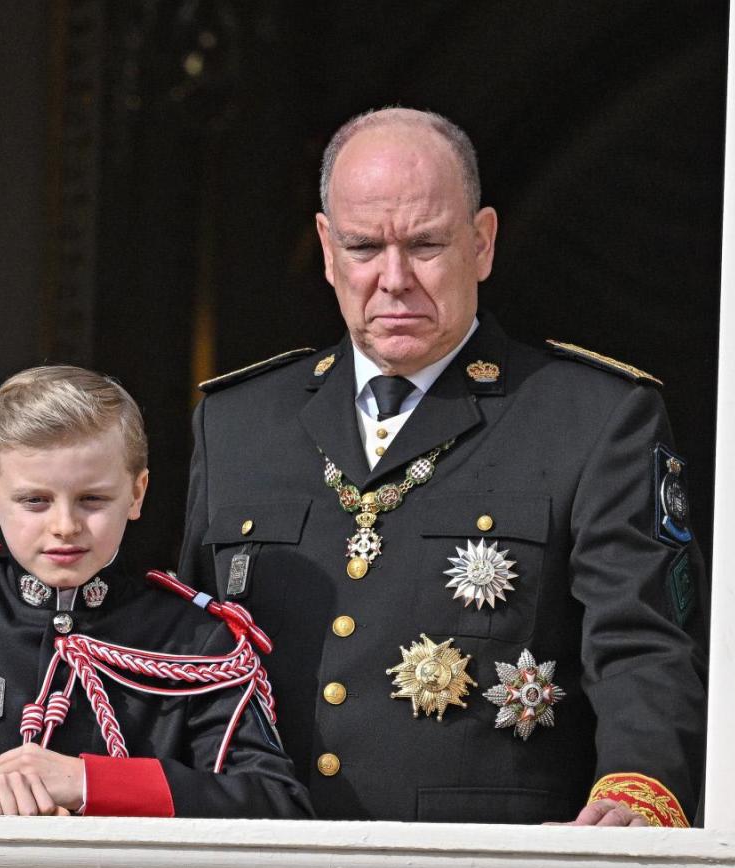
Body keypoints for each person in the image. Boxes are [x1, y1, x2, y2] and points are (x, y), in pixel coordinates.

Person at [179, 107, 707, 827]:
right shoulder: (238, 421)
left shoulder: (593, 417)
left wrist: (638, 788)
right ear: (327, 250)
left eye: (426, 244)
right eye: (364, 247)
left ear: (482, 243)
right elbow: (185, 649)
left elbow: (643, 641)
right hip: (261, 854)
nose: (394, 279)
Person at [0, 366, 311, 818]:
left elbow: (273, 801)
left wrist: (88, 783)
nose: (65, 526)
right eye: (34, 501)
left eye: (92, 499)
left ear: (137, 494)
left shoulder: (195, 638)